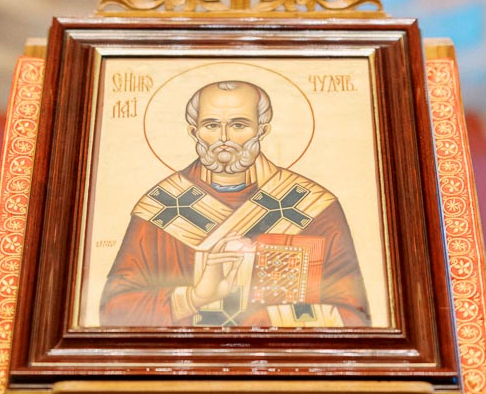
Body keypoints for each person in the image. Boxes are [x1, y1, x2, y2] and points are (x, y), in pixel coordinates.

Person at [100, 79, 370, 329]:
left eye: (239, 125)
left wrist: (265, 319)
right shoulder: (162, 207)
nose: (224, 138)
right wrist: (193, 297)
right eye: (211, 125)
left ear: (262, 130)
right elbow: (113, 311)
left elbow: (353, 314)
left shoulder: (312, 207)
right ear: (194, 131)